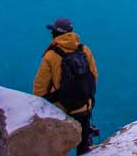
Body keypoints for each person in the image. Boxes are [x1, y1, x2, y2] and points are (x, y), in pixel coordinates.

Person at [33, 18, 99, 154]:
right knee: (83, 146)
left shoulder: (51, 55)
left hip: (62, 108)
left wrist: (54, 98)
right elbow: (94, 76)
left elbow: (39, 88)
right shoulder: (84, 50)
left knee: (58, 147)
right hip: (85, 105)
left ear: (56, 34)